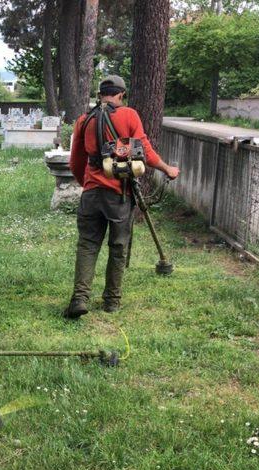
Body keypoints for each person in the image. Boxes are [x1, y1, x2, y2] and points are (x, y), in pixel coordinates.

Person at [63, 75, 180, 319]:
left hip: (91, 193)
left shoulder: (83, 120)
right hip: (118, 194)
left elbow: (75, 161)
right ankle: (112, 301)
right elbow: (144, 150)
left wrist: (87, 183)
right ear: (120, 95)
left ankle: (80, 298)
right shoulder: (129, 116)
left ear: (101, 94)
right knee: (118, 247)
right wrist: (167, 169)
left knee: (87, 245)